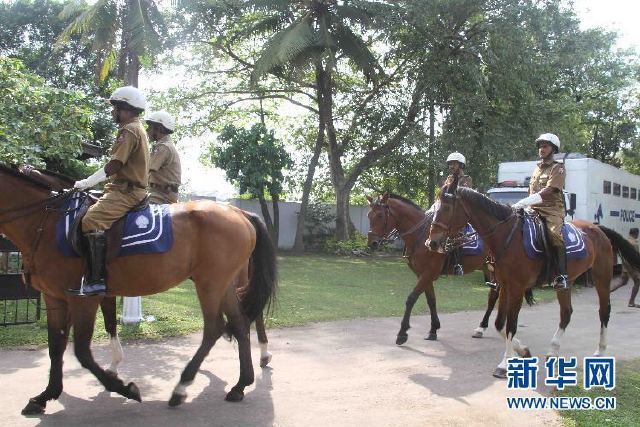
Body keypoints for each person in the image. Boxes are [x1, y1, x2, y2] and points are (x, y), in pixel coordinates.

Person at [68, 86, 150, 296]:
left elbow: (114, 165)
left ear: (125, 108)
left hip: (127, 192)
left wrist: (87, 182)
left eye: (115, 108)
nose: (112, 112)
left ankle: (97, 280)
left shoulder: (129, 130)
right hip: (121, 189)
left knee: (91, 221)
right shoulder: (135, 128)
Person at [512, 133, 568, 289]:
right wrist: (525, 204)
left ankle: (561, 275)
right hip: (533, 210)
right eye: (540, 146)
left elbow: (550, 190)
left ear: (553, 149)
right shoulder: (537, 169)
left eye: (545, 146)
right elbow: (532, 190)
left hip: (551, 211)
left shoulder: (558, 168)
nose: (541, 149)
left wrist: (524, 202)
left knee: (554, 234)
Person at [146, 111, 181, 204]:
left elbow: (146, 170)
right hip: (159, 192)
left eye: (150, 127)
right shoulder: (165, 145)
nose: (147, 130)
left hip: (160, 195)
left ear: (160, 128)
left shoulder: (163, 147)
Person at [611, 228, 640, 308]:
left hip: (625, 264)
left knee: (623, 281)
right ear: (636, 233)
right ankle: (631, 302)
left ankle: (607, 293)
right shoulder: (634, 243)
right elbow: (635, 257)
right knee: (637, 281)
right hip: (631, 265)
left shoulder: (625, 241)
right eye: (638, 233)